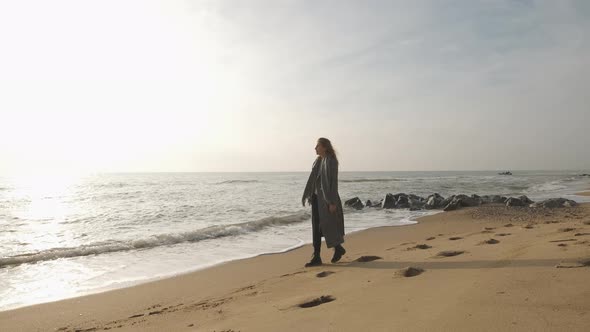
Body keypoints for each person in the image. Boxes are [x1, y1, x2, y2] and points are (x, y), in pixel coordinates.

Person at [301, 137, 346, 267]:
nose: (315, 148)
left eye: (317, 146)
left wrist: (332, 202)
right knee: (316, 227)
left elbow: (333, 183)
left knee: (327, 225)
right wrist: (309, 195)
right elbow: (314, 180)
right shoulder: (318, 161)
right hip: (315, 198)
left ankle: (337, 248)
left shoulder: (331, 161)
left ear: (324, 147)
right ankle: (317, 256)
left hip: (326, 199)